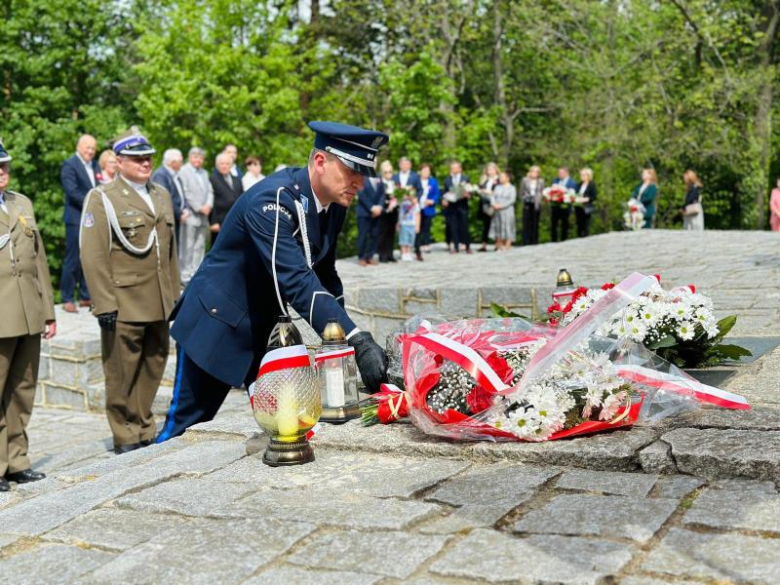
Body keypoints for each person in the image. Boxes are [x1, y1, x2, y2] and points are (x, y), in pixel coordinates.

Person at [156, 121, 390, 441]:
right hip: (216, 323)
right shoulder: (274, 201)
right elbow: (295, 279)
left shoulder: (333, 204)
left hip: (262, 330)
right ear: (321, 162)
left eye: (363, 174)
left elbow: (325, 274)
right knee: (183, 428)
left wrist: (341, 340)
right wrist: (355, 338)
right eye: (352, 170)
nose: (360, 183)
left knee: (287, 427)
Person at [80, 129, 180, 454]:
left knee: (154, 363)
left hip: (159, 300)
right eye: (137, 158)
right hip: (124, 300)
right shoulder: (103, 197)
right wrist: (104, 303)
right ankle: (124, 433)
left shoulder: (161, 194)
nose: (145, 162)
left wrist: (175, 296)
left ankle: (143, 424)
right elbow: (93, 255)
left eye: (148, 156)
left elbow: (170, 252)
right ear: (118, 161)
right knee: (121, 371)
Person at [0, 141, 56, 491]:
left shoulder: (21, 203)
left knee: (22, 389)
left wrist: (47, 311)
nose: (2, 172)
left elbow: (39, 262)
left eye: (4, 165)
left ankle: (17, 460)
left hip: (27, 311)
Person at [61, 134, 99, 312]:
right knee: (73, 259)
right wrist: (93, 203)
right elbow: (72, 191)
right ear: (79, 146)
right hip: (76, 218)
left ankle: (85, 295)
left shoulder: (95, 165)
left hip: (92, 220)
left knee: (89, 257)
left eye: (93, 148)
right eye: (87, 147)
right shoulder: (70, 164)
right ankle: (67, 297)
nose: (90, 151)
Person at [178, 147, 213, 286]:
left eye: (200, 158)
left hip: (204, 215)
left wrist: (208, 205)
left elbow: (210, 191)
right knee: (188, 245)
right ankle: (185, 275)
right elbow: (186, 192)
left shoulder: (204, 172)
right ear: (190, 157)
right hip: (191, 214)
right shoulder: (183, 171)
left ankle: (197, 271)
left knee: (200, 245)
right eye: (195, 157)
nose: (198, 160)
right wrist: (199, 207)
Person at [151, 148, 187, 244]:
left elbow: (181, 194)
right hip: (169, 218)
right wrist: (180, 213)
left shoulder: (175, 174)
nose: (182, 164)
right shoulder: (161, 175)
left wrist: (185, 208)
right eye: (180, 161)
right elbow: (165, 198)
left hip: (176, 216)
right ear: (172, 162)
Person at [209, 152, 244, 244]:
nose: (225, 166)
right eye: (222, 164)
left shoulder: (237, 179)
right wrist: (213, 222)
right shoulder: (212, 179)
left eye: (227, 164)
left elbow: (241, 198)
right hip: (219, 221)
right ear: (217, 165)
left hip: (235, 220)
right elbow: (212, 201)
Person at [443, 161, 472, 253]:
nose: (454, 170)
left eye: (456, 168)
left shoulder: (465, 178)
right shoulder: (447, 180)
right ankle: (455, 246)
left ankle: (467, 246)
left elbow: (470, 190)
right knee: (453, 227)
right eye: (452, 168)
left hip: (462, 205)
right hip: (452, 207)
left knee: (464, 226)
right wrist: (444, 200)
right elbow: (444, 193)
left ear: (460, 169)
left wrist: (468, 195)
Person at [356, 174, 383, 266]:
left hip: (377, 212)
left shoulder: (379, 177)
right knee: (363, 235)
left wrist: (379, 207)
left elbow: (382, 193)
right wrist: (372, 208)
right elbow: (361, 194)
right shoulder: (361, 176)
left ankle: (370, 256)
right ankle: (361, 257)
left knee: (375, 235)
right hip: (364, 212)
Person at [377, 160, 399, 263]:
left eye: (390, 172)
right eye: (386, 172)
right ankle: (382, 255)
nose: (388, 174)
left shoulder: (394, 183)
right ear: (382, 172)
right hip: (384, 210)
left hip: (394, 210)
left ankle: (390, 254)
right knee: (383, 233)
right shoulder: (380, 182)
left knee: (391, 232)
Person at [489, 171, 516, 251]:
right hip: (497, 210)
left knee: (508, 227)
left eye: (502, 177)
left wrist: (502, 205)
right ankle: (499, 244)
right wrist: (494, 204)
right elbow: (492, 197)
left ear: (507, 178)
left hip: (507, 210)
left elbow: (512, 200)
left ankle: (507, 245)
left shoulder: (512, 188)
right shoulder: (497, 187)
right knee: (498, 227)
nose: (500, 179)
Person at [417, 163, 440, 254]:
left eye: (428, 171)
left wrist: (432, 201)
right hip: (417, 207)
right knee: (418, 227)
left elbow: (437, 193)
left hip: (428, 207)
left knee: (426, 227)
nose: (426, 172)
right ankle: (418, 245)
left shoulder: (433, 181)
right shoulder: (417, 180)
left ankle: (426, 244)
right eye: (424, 170)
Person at [477, 162, 500, 252]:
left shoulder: (499, 179)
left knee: (496, 224)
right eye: (488, 170)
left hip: (494, 203)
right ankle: (484, 244)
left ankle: (497, 243)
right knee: (486, 224)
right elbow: (480, 188)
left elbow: (500, 190)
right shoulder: (484, 179)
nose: (490, 171)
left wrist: (490, 192)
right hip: (485, 203)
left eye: (491, 169)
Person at [520, 165, 544, 245]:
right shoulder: (525, 180)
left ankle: (534, 240)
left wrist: (539, 199)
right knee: (526, 222)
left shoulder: (541, 181)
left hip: (536, 203)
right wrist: (524, 199)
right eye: (533, 171)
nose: (534, 173)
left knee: (535, 222)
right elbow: (521, 192)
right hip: (527, 202)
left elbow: (541, 192)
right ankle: (526, 240)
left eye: (536, 172)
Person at [550, 167, 576, 242]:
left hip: (565, 206)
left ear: (566, 173)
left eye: (561, 173)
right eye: (559, 173)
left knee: (565, 223)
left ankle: (564, 239)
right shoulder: (556, 180)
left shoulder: (571, 182)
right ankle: (553, 240)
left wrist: (564, 191)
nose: (559, 174)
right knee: (554, 223)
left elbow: (572, 193)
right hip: (555, 205)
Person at [397, 186, 420, 261]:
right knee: (403, 239)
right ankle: (404, 253)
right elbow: (399, 214)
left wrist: (417, 225)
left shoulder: (416, 204)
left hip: (412, 224)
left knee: (411, 239)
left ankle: (409, 253)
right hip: (404, 224)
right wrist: (398, 224)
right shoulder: (402, 203)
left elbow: (417, 214)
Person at [574, 168, 597, 238]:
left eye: (583, 175)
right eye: (581, 175)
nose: (581, 176)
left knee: (585, 223)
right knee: (578, 223)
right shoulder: (579, 184)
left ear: (588, 176)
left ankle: (585, 237)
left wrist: (585, 199)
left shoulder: (592, 185)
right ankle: (579, 237)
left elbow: (593, 196)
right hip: (578, 206)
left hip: (586, 207)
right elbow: (576, 193)